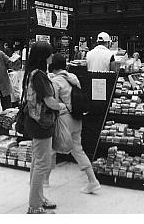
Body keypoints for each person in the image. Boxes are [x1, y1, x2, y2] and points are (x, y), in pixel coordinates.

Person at [21, 41, 65, 214]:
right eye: (50, 54)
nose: (52, 56)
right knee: (41, 164)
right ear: (43, 56)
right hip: (42, 124)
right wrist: (61, 107)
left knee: (37, 162)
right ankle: (34, 205)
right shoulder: (39, 75)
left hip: (33, 121)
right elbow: (49, 101)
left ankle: (38, 198)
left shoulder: (31, 73)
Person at [48, 53, 101, 194]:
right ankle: (92, 181)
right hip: (77, 118)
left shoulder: (56, 81)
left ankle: (44, 180)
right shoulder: (73, 78)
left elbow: (54, 103)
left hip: (64, 120)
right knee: (78, 150)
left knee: (51, 148)